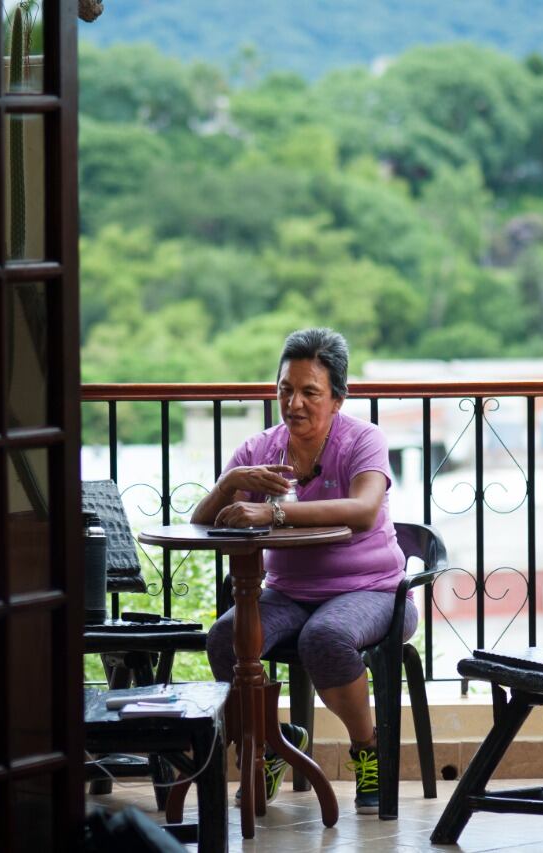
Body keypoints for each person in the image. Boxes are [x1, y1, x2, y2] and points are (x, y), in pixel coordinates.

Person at [193, 327, 416, 815]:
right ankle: (275, 741)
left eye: (310, 392)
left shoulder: (364, 440)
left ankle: (368, 749)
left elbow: (361, 510)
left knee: (326, 636)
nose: (294, 403)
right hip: (288, 593)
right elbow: (201, 521)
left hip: (373, 591)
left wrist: (272, 513)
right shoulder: (259, 451)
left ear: (336, 399)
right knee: (223, 638)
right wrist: (232, 482)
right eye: (284, 389)